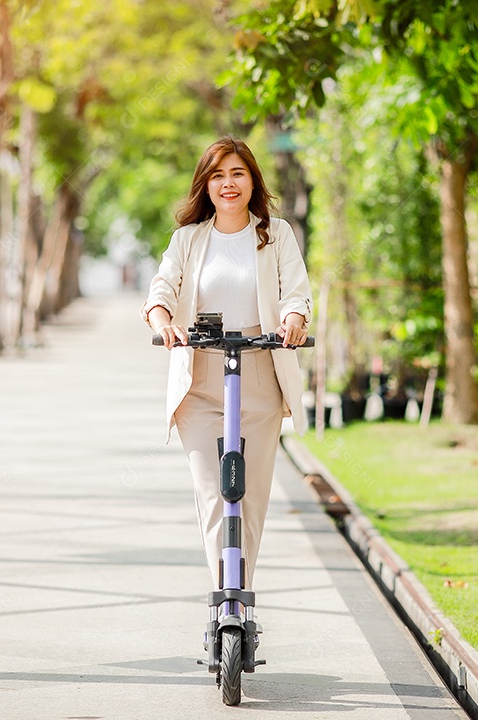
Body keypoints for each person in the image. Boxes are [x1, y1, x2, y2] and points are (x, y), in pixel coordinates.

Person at [141, 136, 312, 590]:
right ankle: (224, 600)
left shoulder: (276, 236)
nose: (228, 184)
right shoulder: (188, 239)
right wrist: (163, 323)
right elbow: (161, 291)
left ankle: (240, 600)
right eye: (217, 175)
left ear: (253, 180)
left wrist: (294, 319)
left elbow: (296, 292)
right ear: (206, 185)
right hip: (201, 384)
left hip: (259, 381)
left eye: (237, 173)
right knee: (215, 497)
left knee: (249, 501)